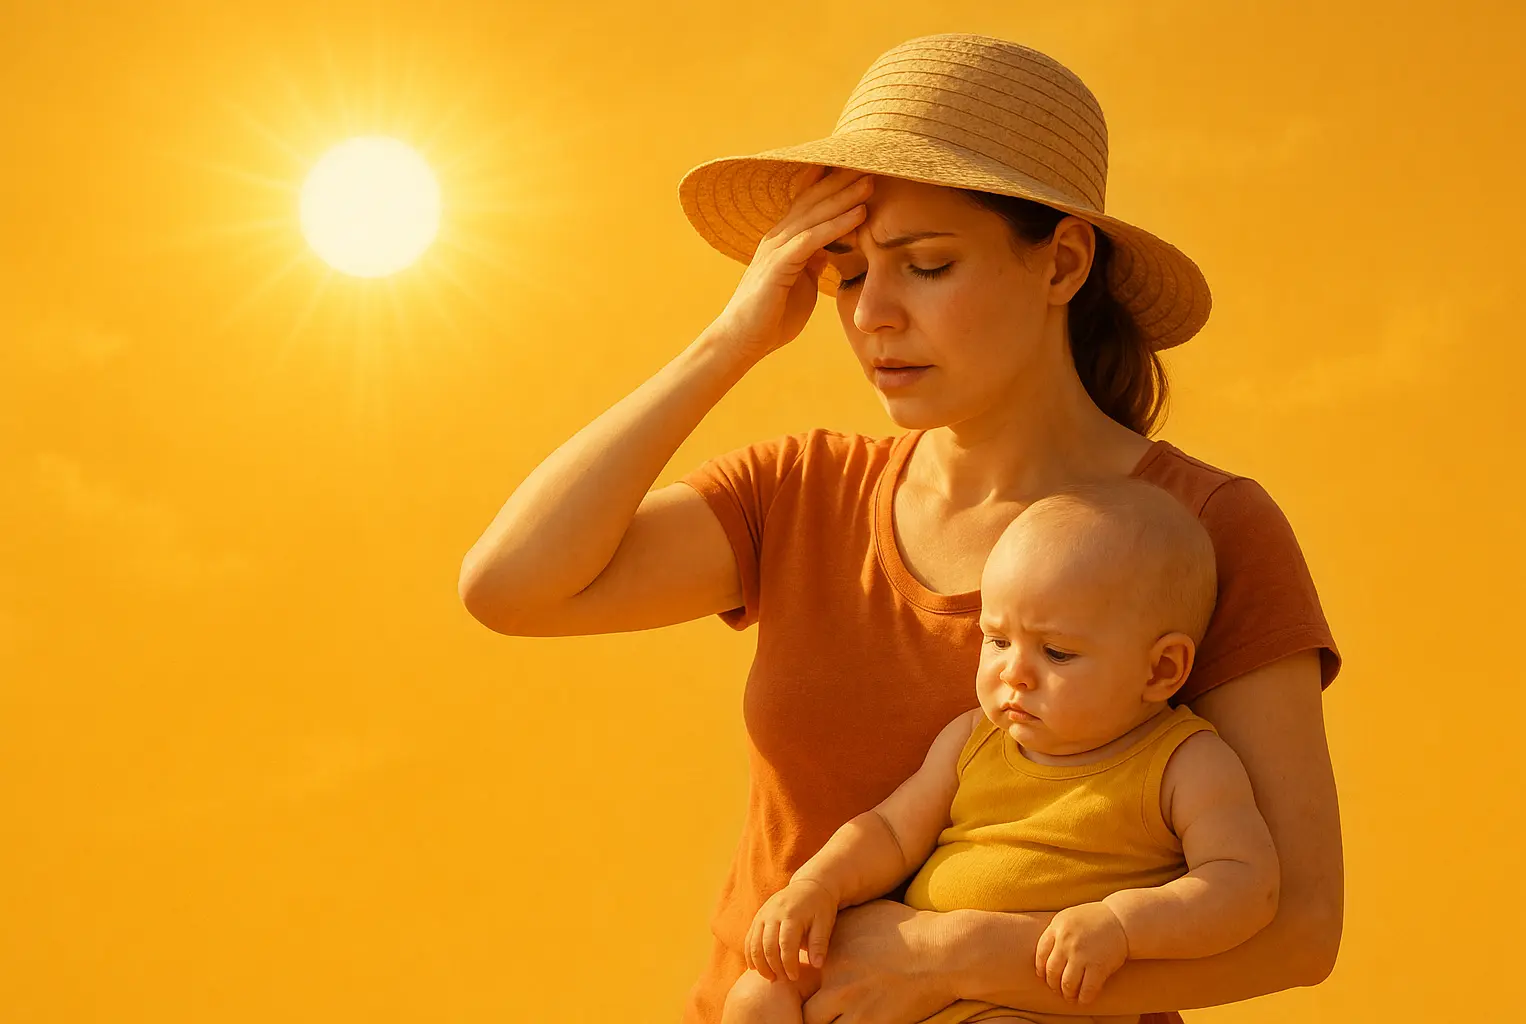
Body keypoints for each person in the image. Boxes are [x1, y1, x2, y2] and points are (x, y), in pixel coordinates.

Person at [457, 32, 1342, 1024]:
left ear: (1061, 262)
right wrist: (731, 338)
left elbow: (1299, 927)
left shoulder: (1207, 528)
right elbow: (510, 585)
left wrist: (947, 957)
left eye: (925, 265)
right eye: (845, 274)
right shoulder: (800, 492)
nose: (872, 313)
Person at [724, 480, 1281, 1024]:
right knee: (759, 994)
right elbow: (889, 832)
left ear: (1161, 669)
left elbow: (1244, 883)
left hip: (1027, 1004)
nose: (1014, 673)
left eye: (1056, 652)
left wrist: (1122, 924)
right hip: (893, 978)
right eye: (996, 640)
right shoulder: (974, 740)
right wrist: (818, 885)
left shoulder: (1183, 764)